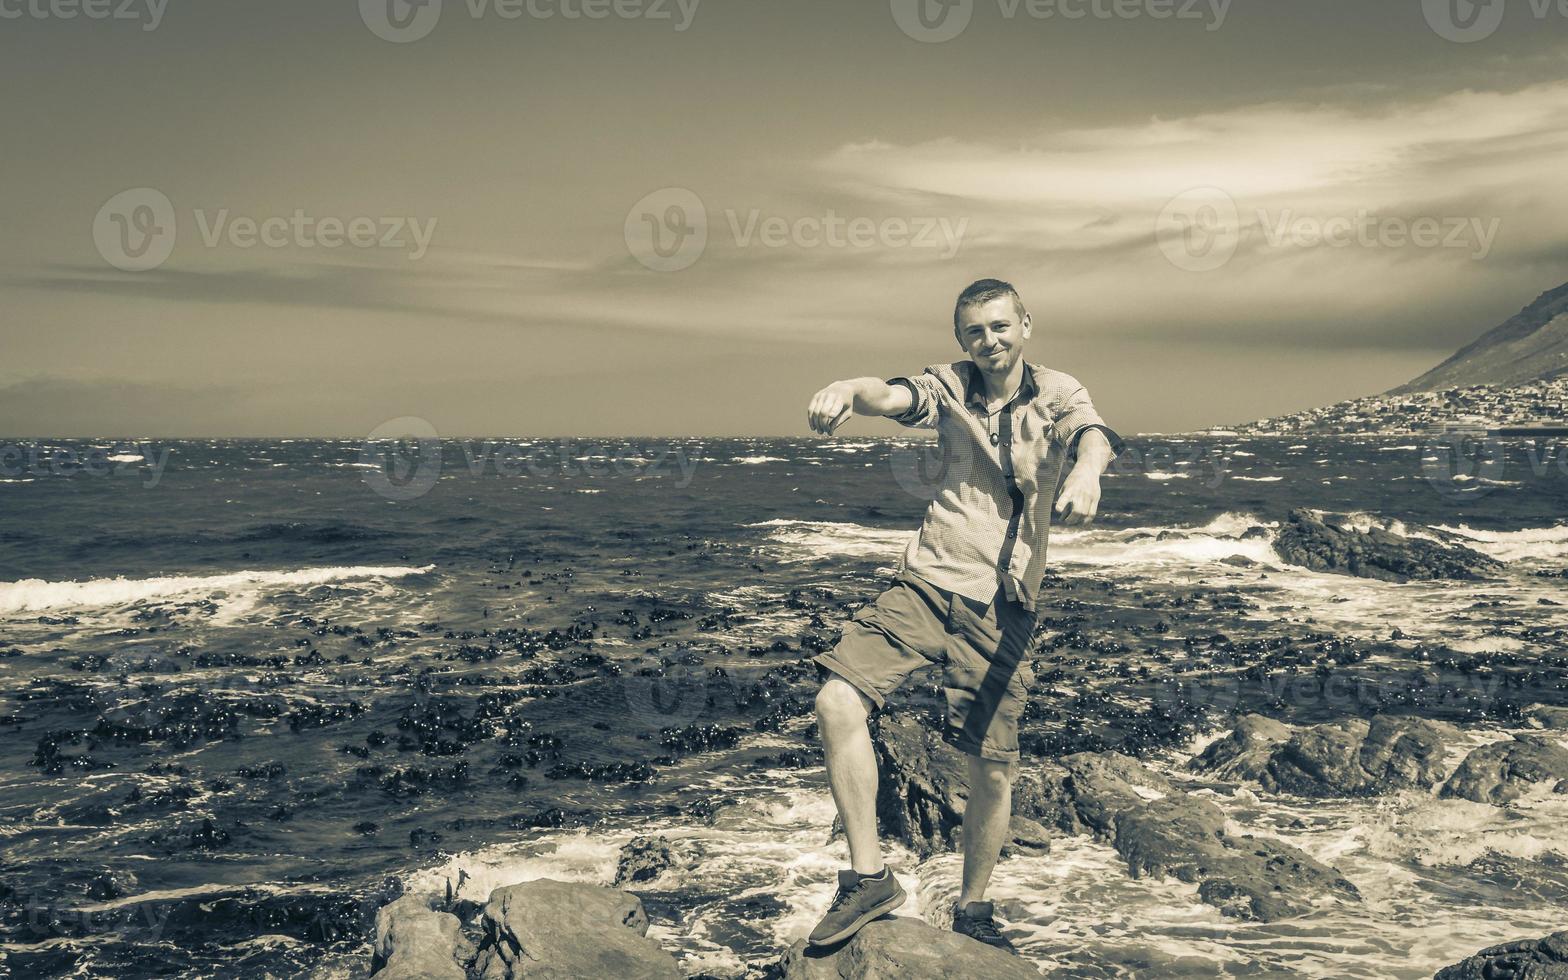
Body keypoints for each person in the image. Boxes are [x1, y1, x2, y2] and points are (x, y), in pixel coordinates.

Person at [801, 278, 1122, 953]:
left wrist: (1087, 474)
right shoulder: (948, 385)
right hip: (926, 580)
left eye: (1001, 327)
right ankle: (868, 878)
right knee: (836, 700)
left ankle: (974, 908)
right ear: (961, 340)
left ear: (1025, 325)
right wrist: (845, 391)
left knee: (991, 766)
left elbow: (1093, 437)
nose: (990, 341)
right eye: (976, 332)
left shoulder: (1059, 391)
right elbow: (889, 394)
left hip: (1002, 602)